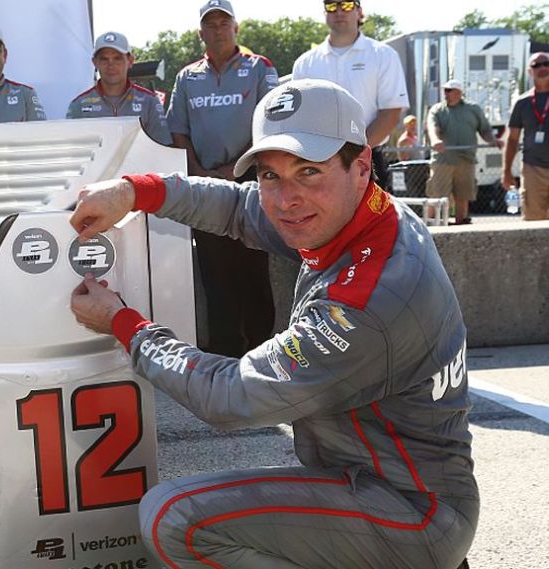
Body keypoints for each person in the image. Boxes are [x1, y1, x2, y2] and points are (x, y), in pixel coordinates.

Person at [70, 79, 476, 569]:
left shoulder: (370, 298)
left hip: (410, 514)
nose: (287, 200)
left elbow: (230, 396)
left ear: (361, 167)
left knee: (174, 518)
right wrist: (136, 190)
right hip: (384, 483)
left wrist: (124, 324)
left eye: (309, 171)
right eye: (270, 175)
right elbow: (239, 207)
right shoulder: (370, 217)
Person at [165, 0, 279, 358]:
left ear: (236, 28)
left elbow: (271, 122)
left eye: (223, 23)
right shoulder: (187, 77)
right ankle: (226, 355)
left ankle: (262, 352)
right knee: (215, 277)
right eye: (210, 24)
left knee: (254, 273)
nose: (217, 29)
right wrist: (197, 170)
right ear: (201, 32)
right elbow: (177, 132)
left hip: (250, 186)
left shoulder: (260, 68)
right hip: (205, 189)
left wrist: (236, 168)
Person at [292, 0, 408, 186]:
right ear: (325, 13)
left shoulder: (383, 55)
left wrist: (355, 154)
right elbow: (298, 116)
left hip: (367, 159)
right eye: (331, 6)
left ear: (359, 12)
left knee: (370, 216)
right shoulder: (305, 63)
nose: (339, 11)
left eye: (346, 5)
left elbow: (391, 112)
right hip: (316, 161)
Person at [67, 31, 172, 146]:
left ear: (130, 61)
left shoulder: (149, 102)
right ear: (95, 62)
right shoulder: (78, 105)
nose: (111, 64)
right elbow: (72, 153)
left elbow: (163, 149)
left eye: (117, 58)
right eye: (104, 59)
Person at [426, 79, 503, 225]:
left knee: (463, 195)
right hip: (443, 160)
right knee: (436, 196)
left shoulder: (473, 109)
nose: (446, 94)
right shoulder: (437, 110)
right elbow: (432, 127)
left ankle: (461, 224)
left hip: (466, 160)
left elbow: (485, 130)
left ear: (459, 93)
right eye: (445, 90)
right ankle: (430, 225)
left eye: (449, 90)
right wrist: (435, 140)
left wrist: (493, 140)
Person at [503, 51, 549, 221]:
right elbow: (513, 139)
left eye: (546, 64)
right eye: (537, 65)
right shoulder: (522, 103)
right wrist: (506, 171)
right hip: (533, 169)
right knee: (533, 220)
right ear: (530, 71)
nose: (543, 68)